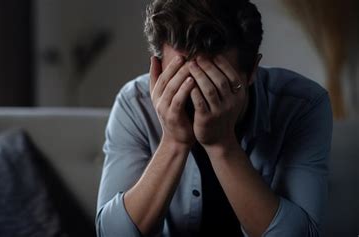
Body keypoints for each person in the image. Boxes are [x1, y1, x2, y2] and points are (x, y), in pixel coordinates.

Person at [96, 0, 332, 236]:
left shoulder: (303, 105)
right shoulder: (134, 103)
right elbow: (110, 233)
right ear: (156, 70)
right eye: (180, 78)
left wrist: (223, 145)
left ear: (251, 72)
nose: (198, 96)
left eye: (216, 82)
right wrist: (173, 142)